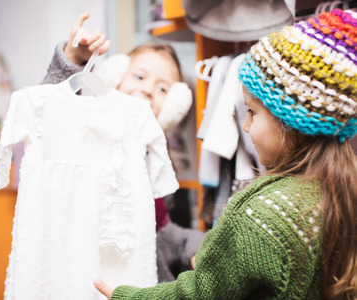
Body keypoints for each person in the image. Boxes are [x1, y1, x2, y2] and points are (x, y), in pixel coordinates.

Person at [94, 8, 357, 300]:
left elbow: (198, 293)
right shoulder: (342, 193)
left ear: (288, 121)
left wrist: (127, 296)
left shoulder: (259, 215)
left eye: (252, 112)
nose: (244, 126)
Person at [41, 12, 205, 283]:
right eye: (139, 77)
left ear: (174, 107)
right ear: (115, 76)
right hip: (77, 271)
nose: (149, 89)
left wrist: (200, 247)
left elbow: (163, 232)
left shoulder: (154, 163)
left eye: (163, 89)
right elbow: (52, 111)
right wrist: (72, 58)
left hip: (136, 281)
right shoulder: (87, 128)